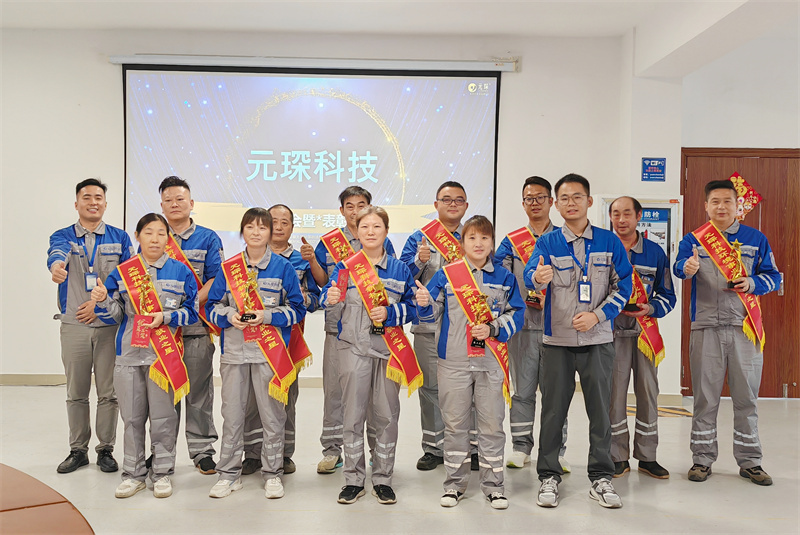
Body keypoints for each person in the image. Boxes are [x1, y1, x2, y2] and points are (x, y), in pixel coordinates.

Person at [524, 173, 632, 509]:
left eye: (577, 197)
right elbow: (530, 275)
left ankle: (601, 477)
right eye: (565, 198)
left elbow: (624, 287)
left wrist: (597, 316)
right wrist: (537, 277)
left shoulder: (609, 242)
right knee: (553, 411)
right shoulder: (547, 243)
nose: (571, 203)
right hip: (556, 341)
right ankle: (548, 475)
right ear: (556, 205)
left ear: (589, 201)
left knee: (600, 411)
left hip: (597, 340)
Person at [673, 180, 781, 486]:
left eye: (727, 201)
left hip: (744, 329)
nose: (721, 207)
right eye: (715, 201)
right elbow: (678, 268)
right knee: (704, 398)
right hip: (706, 327)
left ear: (738, 206)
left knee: (746, 398)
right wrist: (686, 268)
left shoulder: (755, 239)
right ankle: (702, 459)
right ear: (706, 206)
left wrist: (753, 283)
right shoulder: (694, 239)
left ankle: (751, 462)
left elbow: (774, 277)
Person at [416, 215, 524, 510]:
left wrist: (493, 328)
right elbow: (430, 313)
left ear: (492, 243)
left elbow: (517, 314)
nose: (479, 243)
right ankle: (454, 485)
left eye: (484, 238)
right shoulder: (447, 275)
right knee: (455, 425)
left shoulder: (505, 277)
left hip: (490, 362)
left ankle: (494, 487)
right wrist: (423, 303)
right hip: (453, 362)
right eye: (472, 238)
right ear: (462, 243)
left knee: (492, 425)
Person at [93, 213, 199, 499]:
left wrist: (166, 317)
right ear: (137, 236)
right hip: (128, 356)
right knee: (131, 418)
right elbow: (115, 315)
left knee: (164, 418)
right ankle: (133, 474)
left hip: (162, 358)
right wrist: (103, 301)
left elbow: (192, 313)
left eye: (161, 233)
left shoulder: (181, 271)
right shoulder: (123, 272)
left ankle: (162, 473)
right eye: (149, 232)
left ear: (168, 238)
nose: (155, 239)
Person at [205, 208, 306, 499]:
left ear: (270, 232)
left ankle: (272, 473)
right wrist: (229, 316)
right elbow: (212, 307)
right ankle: (228, 474)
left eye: (263, 227)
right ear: (243, 231)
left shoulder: (284, 268)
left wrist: (267, 316)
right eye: (250, 227)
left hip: (269, 355)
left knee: (273, 415)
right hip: (234, 354)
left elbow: (297, 310)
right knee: (232, 415)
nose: (256, 232)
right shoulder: (229, 268)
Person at [320, 206, 418, 505]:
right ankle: (353, 480)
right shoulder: (345, 267)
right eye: (365, 227)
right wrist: (329, 297)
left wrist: (391, 312)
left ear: (386, 231)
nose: (371, 232)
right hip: (352, 349)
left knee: (386, 415)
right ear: (357, 231)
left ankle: (383, 479)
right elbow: (328, 297)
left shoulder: (400, 269)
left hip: (388, 352)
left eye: (377, 226)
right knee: (352, 415)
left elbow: (414, 308)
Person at [47, 178, 134, 474]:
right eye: (87, 197)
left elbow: (128, 279)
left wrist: (100, 306)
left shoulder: (120, 238)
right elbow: (56, 254)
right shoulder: (63, 236)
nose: (93, 202)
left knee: (109, 392)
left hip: (108, 325)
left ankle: (105, 449)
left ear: (105, 204)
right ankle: (78, 450)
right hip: (74, 325)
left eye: (98, 197)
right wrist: (56, 268)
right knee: (76, 392)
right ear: (77, 204)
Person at [313, 186, 396, 474]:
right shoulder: (329, 243)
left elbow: (393, 283)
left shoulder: (383, 243)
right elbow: (322, 285)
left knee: (374, 397)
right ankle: (332, 450)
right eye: (350, 206)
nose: (355, 210)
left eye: (362, 205)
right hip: (340, 328)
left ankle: (375, 453)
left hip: (377, 332)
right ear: (342, 210)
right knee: (336, 391)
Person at [494, 176, 570, 472]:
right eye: (529, 198)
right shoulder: (511, 242)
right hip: (523, 327)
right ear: (523, 203)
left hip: (557, 327)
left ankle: (556, 450)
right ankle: (520, 447)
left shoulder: (565, 238)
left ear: (551, 202)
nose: (535, 203)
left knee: (556, 392)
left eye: (540, 197)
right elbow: (498, 278)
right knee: (522, 391)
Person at [241, 204, 320, 476]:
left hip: (287, 340)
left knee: (285, 396)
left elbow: (316, 299)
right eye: (273, 221)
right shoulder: (245, 260)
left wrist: (302, 297)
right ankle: (253, 453)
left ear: (292, 228)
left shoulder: (300, 261)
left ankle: (284, 454)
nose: (279, 226)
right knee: (252, 399)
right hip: (251, 339)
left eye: (285, 222)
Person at [400, 181, 468, 471]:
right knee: (430, 388)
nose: (453, 204)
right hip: (428, 325)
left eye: (458, 200)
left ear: (466, 205)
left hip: (466, 327)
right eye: (447, 199)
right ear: (436, 204)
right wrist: (419, 261)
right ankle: (433, 447)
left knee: (468, 387)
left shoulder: (474, 235)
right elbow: (401, 277)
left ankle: (470, 447)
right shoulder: (420, 237)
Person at [158, 176, 224, 475]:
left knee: (199, 392)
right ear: (161, 205)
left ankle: (202, 451)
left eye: (180, 199)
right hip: (163, 332)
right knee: (164, 394)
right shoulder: (155, 236)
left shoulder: (208, 238)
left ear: (191, 203)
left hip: (196, 327)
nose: (174, 204)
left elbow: (216, 279)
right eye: (168, 200)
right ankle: (162, 451)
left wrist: (189, 304)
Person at [608, 196, 676, 479]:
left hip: (645, 334)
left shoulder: (655, 252)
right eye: (615, 214)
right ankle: (617, 456)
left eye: (627, 214)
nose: (621, 219)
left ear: (638, 217)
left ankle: (648, 457)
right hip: (612, 334)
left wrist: (652, 308)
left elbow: (668, 295)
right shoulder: (604, 249)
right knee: (614, 395)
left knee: (648, 393)